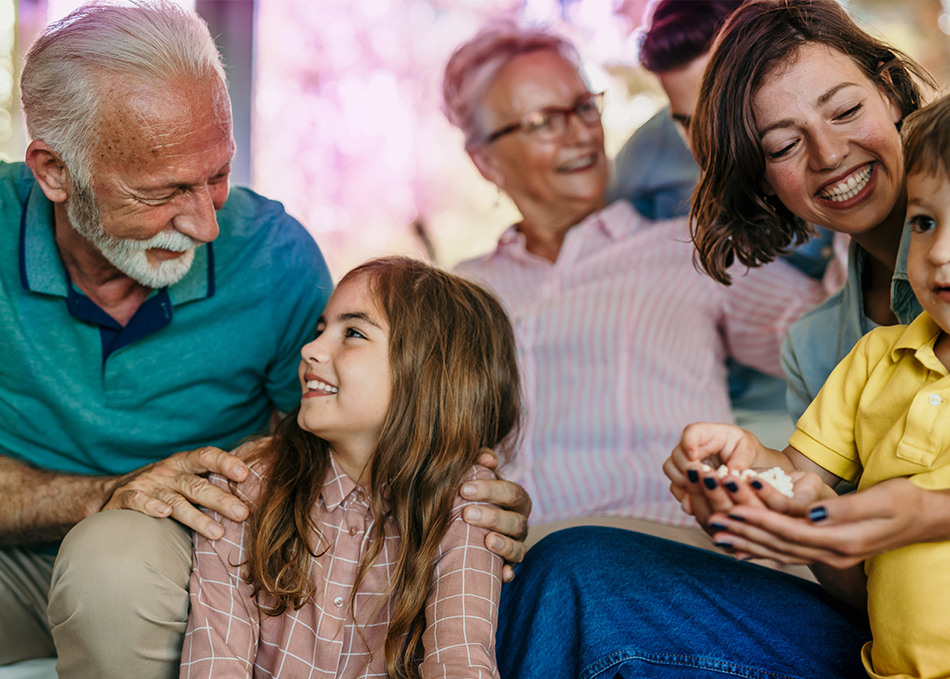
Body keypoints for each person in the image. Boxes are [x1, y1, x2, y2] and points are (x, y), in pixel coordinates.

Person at [0, 3, 527, 676]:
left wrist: (452, 482)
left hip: (166, 559)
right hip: (14, 556)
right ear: (53, 171)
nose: (205, 225)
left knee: (113, 560)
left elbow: (348, 429)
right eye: (163, 191)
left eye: (217, 175)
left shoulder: (273, 256)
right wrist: (103, 491)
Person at [495, 2, 950, 677]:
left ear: (888, 87)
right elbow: (869, 593)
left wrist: (928, 514)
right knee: (572, 569)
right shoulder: (822, 346)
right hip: (888, 646)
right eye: (783, 146)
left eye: (846, 111)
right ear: (762, 175)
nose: (829, 155)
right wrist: (781, 514)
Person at [441, 20, 826, 547]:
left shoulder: (689, 247)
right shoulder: (459, 293)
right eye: (543, 121)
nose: (580, 133)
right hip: (498, 568)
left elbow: (838, 344)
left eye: (584, 106)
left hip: (660, 553)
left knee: (572, 557)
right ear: (485, 160)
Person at [674, 91, 950, 679]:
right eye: (925, 223)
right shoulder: (873, 359)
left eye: (844, 111)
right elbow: (800, 477)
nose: (940, 252)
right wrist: (749, 464)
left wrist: (931, 513)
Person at [180, 256, 520, 679]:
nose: (310, 349)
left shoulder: (466, 501)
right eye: (320, 330)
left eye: (353, 333)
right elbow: (215, 663)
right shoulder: (244, 482)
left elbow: (459, 661)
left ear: (431, 373)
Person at [613, 0, 844, 429]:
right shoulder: (644, 161)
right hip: (725, 411)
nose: (708, 144)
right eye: (687, 122)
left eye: (722, 112)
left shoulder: (835, 151)